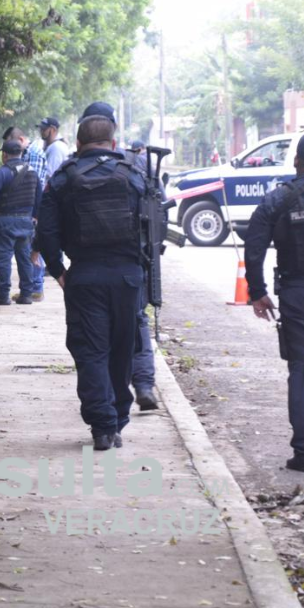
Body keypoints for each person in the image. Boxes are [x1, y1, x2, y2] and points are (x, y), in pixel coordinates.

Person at [36, 102, 147, 451]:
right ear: (113, 144)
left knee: (91, 351)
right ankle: (117, 420)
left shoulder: (64, 177)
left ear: (79, 144)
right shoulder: (134, 174)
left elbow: (46, 234)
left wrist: (58, 272)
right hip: (128, 277)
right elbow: (153, 231)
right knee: (121, 350)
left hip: (84, 276)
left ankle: (103, 427)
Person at [244, 131, 304, 472]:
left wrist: (257, 291)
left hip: (298, 294)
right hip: (298, 290)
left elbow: (254, 245)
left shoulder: (279, 200)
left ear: (297, 161)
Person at [0, 139, 41, 306]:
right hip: (26, 221)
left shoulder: (2, 172)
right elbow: (39, 199)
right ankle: (26, 294)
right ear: (21, 153)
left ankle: (2, 295)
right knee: (24, 258)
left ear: (5, 155)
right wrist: (34, 217)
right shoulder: (32, 171)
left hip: (5, 221)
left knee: (3, 258)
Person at [124, 139, 159, 411]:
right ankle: (144, 385)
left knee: (104, 334)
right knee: (138, 324)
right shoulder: (143, 177)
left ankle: (115, 392)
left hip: (96, 267)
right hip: (136, 263)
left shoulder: (80, 171)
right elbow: (160, 217)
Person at [3, 126, 48, 301]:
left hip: (31, 209)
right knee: (27, 249)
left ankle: (35, 288)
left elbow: (32, 185)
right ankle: (31, 289)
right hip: (28, 210)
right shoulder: (29, 153)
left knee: (32, 249)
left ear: (21, 140)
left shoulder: (34, 154)